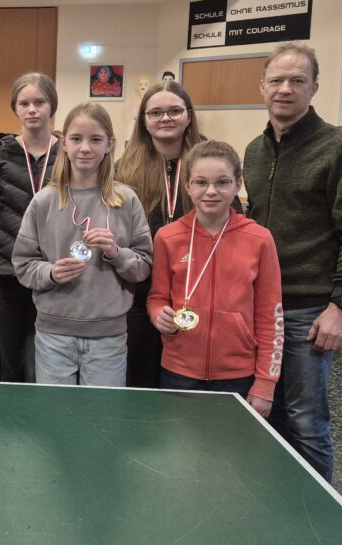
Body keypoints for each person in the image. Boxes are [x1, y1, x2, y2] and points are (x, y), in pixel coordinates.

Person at [244, 42, 342, 481]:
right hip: (261, 308)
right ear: (262, 86)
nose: (285, 89)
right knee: (269, 411)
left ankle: (315, 511)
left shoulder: (341, 149)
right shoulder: (255, 150)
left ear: (314, 87)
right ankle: (279, 497)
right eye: (277, 80)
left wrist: (340, 306)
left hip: (308, 311)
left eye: (297, 80)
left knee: (306, 421)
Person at [12, 102, 151, 386]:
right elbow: (23, 265)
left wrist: (116, 254)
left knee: (101, 412)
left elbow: (143, 266)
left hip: (108, 338)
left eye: (95, 140)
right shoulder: (44, 201)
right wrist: (50, 273)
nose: (85, 148)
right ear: (64, 144)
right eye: (76, 139)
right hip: (53, 335)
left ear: (110, 144)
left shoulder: (126, 200)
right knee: (57, 411)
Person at [148, 140, 282, 415]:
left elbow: (271, 316)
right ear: (188, 186)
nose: (211, 191)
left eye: (222, 182)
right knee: (177, 439)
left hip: (237, 373)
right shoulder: (167, 237)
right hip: (178, 370)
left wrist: (265, 384)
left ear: (238, 185)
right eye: (201, 182)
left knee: (230, 441)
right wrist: (158, 313)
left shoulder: (259, 239)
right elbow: (157, 297)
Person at [0, 72, 60, 383]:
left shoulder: (67, 155)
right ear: (15, 109)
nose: (32, 109)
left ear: (52, 106)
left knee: (47, 356)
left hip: (53, 272)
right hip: (8, 273)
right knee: (9, 356)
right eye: (24, 104)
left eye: (40, 102)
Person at [117, 80, 203, 388]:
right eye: (155, 113)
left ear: (188, 115)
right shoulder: (124, 169)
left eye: (174, 111)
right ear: (144, 120)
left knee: (183, 387)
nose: (165, 118)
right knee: (139, 381)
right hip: (139, 295)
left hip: (191, 293)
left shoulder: (207, 164)